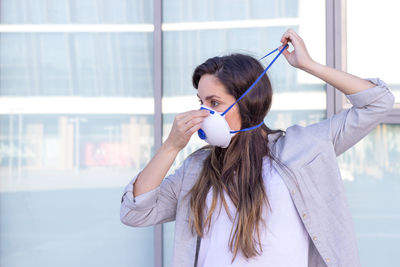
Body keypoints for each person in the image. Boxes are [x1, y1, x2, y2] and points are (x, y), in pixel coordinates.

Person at [120, 29, 395, 267]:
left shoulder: (303, 148)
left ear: (247, 101)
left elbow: (378, 102)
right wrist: (171, 146)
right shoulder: (196, 168)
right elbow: (135, 212)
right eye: (200, 102)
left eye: (214, 103)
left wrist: (309, 65)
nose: (204, 113)